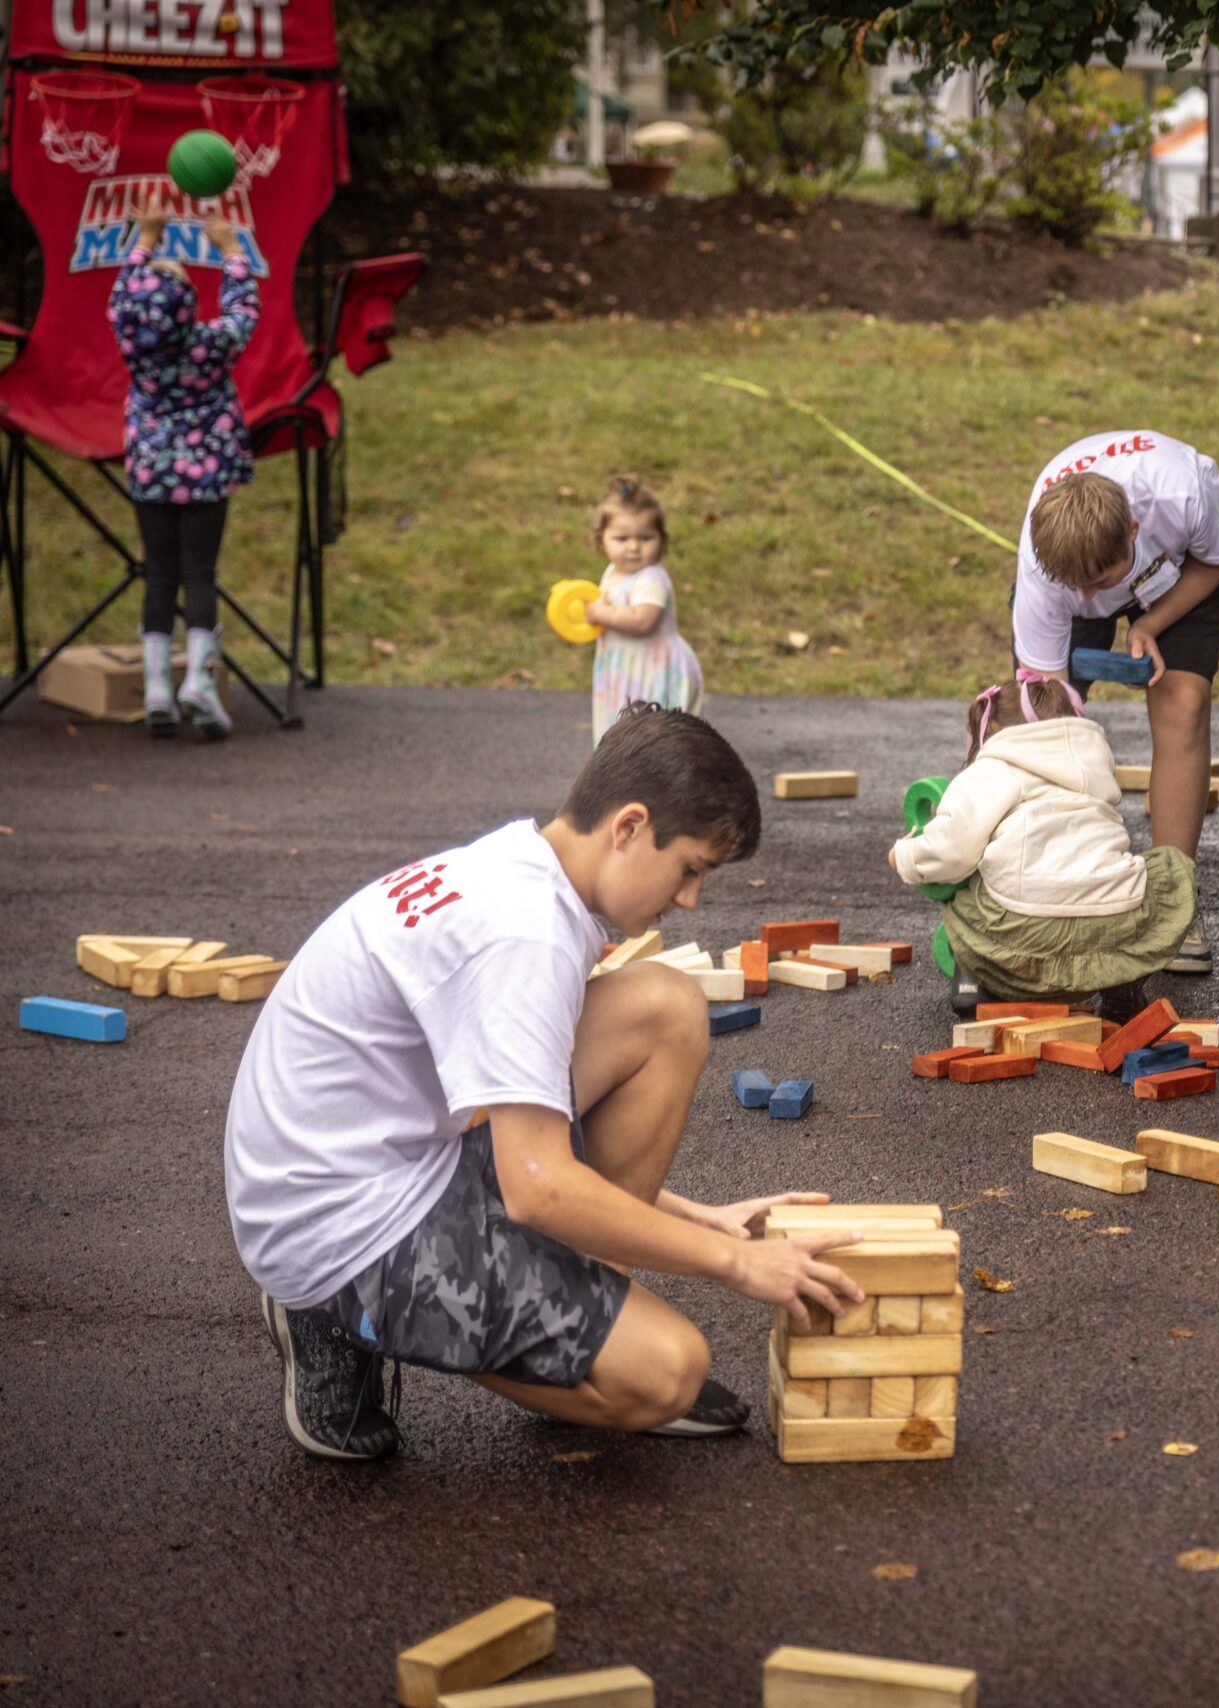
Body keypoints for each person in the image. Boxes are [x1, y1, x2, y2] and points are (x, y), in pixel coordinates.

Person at [224, 707, 861, 1461]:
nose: (691, 898)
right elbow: (535, 1183)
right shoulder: (524, 935)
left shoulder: (517, 867)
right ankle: (334, 1318)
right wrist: (736, 1261)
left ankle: (577, 1337)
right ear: (627, 827)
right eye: (690, 867)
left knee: (664, 1009)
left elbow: (518, 1132)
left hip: (379, 1159)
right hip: (340, 1228)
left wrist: (701, 1220)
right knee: (668, 1372)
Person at [1012, 430, 1219, 975]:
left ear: (1134, 530)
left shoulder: (1187, 492)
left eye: (1100, 583)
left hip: (1178, 574)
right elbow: (1047, 709)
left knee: (1183, 706)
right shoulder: (1045, 575)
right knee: (1038, 730)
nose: (1091, 597)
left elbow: (1215, 563)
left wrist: (1151, 624)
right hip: (1091, 565)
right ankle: (1048, 892)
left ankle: (1172, 903)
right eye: (1077, 586)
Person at [891, 670, 1195, 1018]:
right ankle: (1122, 987)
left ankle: (977, 983)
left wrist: (904, 854)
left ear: (991, 731)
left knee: (959, 876)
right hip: (1111, 931)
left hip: (1024, 936)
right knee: (1170, 868)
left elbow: (949, 851)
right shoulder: (1095, 761)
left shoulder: (994, 767)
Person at [111, 206, 258, 739]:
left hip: (151, 472)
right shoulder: (210, 344)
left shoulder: (132, 343)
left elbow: (123, 294)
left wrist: (146, 238)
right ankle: (197, 679)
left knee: (158, 573)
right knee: (199, 573)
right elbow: (243, 309)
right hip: (207, 473)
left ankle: (155, 690)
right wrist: (231, 250)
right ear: (189, 306)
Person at [583, 477, 704, 748]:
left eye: (645, 537)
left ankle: (655, 785)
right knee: (623, 738)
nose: (634, 547)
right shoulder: (613, 573)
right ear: (601, 542)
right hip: (624, 669)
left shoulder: (651, 579)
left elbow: (642, 621)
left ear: (661, 541)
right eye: (621, 538)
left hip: (654, 670)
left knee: (654, 741)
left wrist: (599, 614)